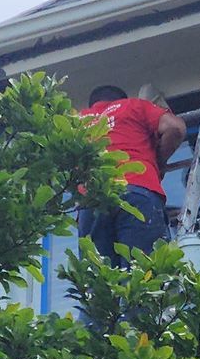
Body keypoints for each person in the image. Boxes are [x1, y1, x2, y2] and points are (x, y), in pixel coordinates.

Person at [77, 84, 188, 263]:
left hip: (93, 201)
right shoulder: (133, 106)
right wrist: (157, 162)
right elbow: (176, 128)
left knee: (100, 281)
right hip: (136, 192)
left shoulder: (78, 122)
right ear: (121, 99)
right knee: (143, 275)